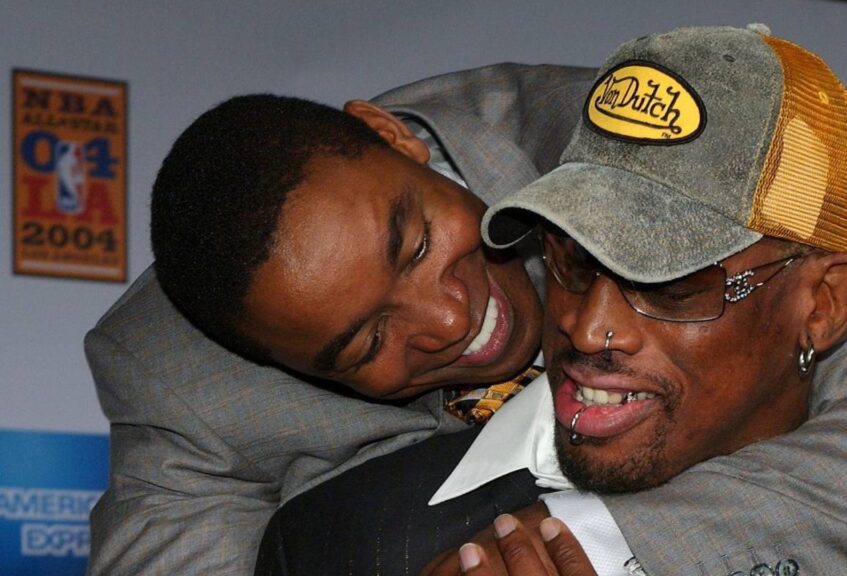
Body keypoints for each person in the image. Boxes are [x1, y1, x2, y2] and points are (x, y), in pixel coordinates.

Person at [254, 26, 847, 576]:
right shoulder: (347, 543)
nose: (588, 326)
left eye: (672, 281)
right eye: (573, 262)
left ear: (821, 306)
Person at [85, 63, 595, 576]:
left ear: (392, 137)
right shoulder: (183, 374)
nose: (450, 320)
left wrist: (595, 525)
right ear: (277, 363)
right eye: (369, 343)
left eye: (417, 249)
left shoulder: (615, 148)